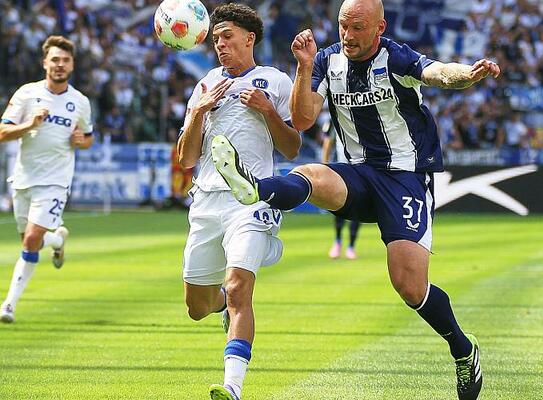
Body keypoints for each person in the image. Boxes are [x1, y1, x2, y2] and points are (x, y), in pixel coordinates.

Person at [212, 0, 499, 398]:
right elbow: (304, 119)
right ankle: (258, 188)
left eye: (357, 27)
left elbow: (437, 74)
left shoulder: (395, 56)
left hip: (405, 180)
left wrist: (468, 73)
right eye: (343, 26)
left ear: (378, 27)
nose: (347, 35)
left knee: (411, 287)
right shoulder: (328, 61)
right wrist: (304, 67)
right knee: (311, 173)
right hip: (360, 175)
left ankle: (463, 350)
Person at [176, 4, 300, 400]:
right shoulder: (205, 84)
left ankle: (232, 386)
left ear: (249, 38)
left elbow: (293, 147)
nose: (220, 45)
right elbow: (186, 158)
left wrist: (268, 113)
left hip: (252, 200)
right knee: (198, 307)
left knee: (239, 287)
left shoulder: (275, 81)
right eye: (215, 39)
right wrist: (198, 112)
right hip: (206, 202)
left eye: (226, 36)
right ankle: (226, 301)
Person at [0, 35, 94, 323]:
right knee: (32, 242)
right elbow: (1, 133)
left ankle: (9, 304)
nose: (59, 65)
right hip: (23, 179)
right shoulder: (27, 94)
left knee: (30, 240)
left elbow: (87, 137)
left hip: (55, 181)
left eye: (65, 60)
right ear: (45, 63)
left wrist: (81, 140)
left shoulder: (80, 102)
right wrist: (29, 124)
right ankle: (57, 239)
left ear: (72, 65)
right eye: (55, 60)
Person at [320, 113, 360, 259]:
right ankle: (337, 242)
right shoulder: (333, 118)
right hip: (339, 169)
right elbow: (327, 143)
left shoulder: (361, 114)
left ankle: (351, 246)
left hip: (358, 169)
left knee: (357, 208)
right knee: (338, 206)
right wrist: (324, 166)